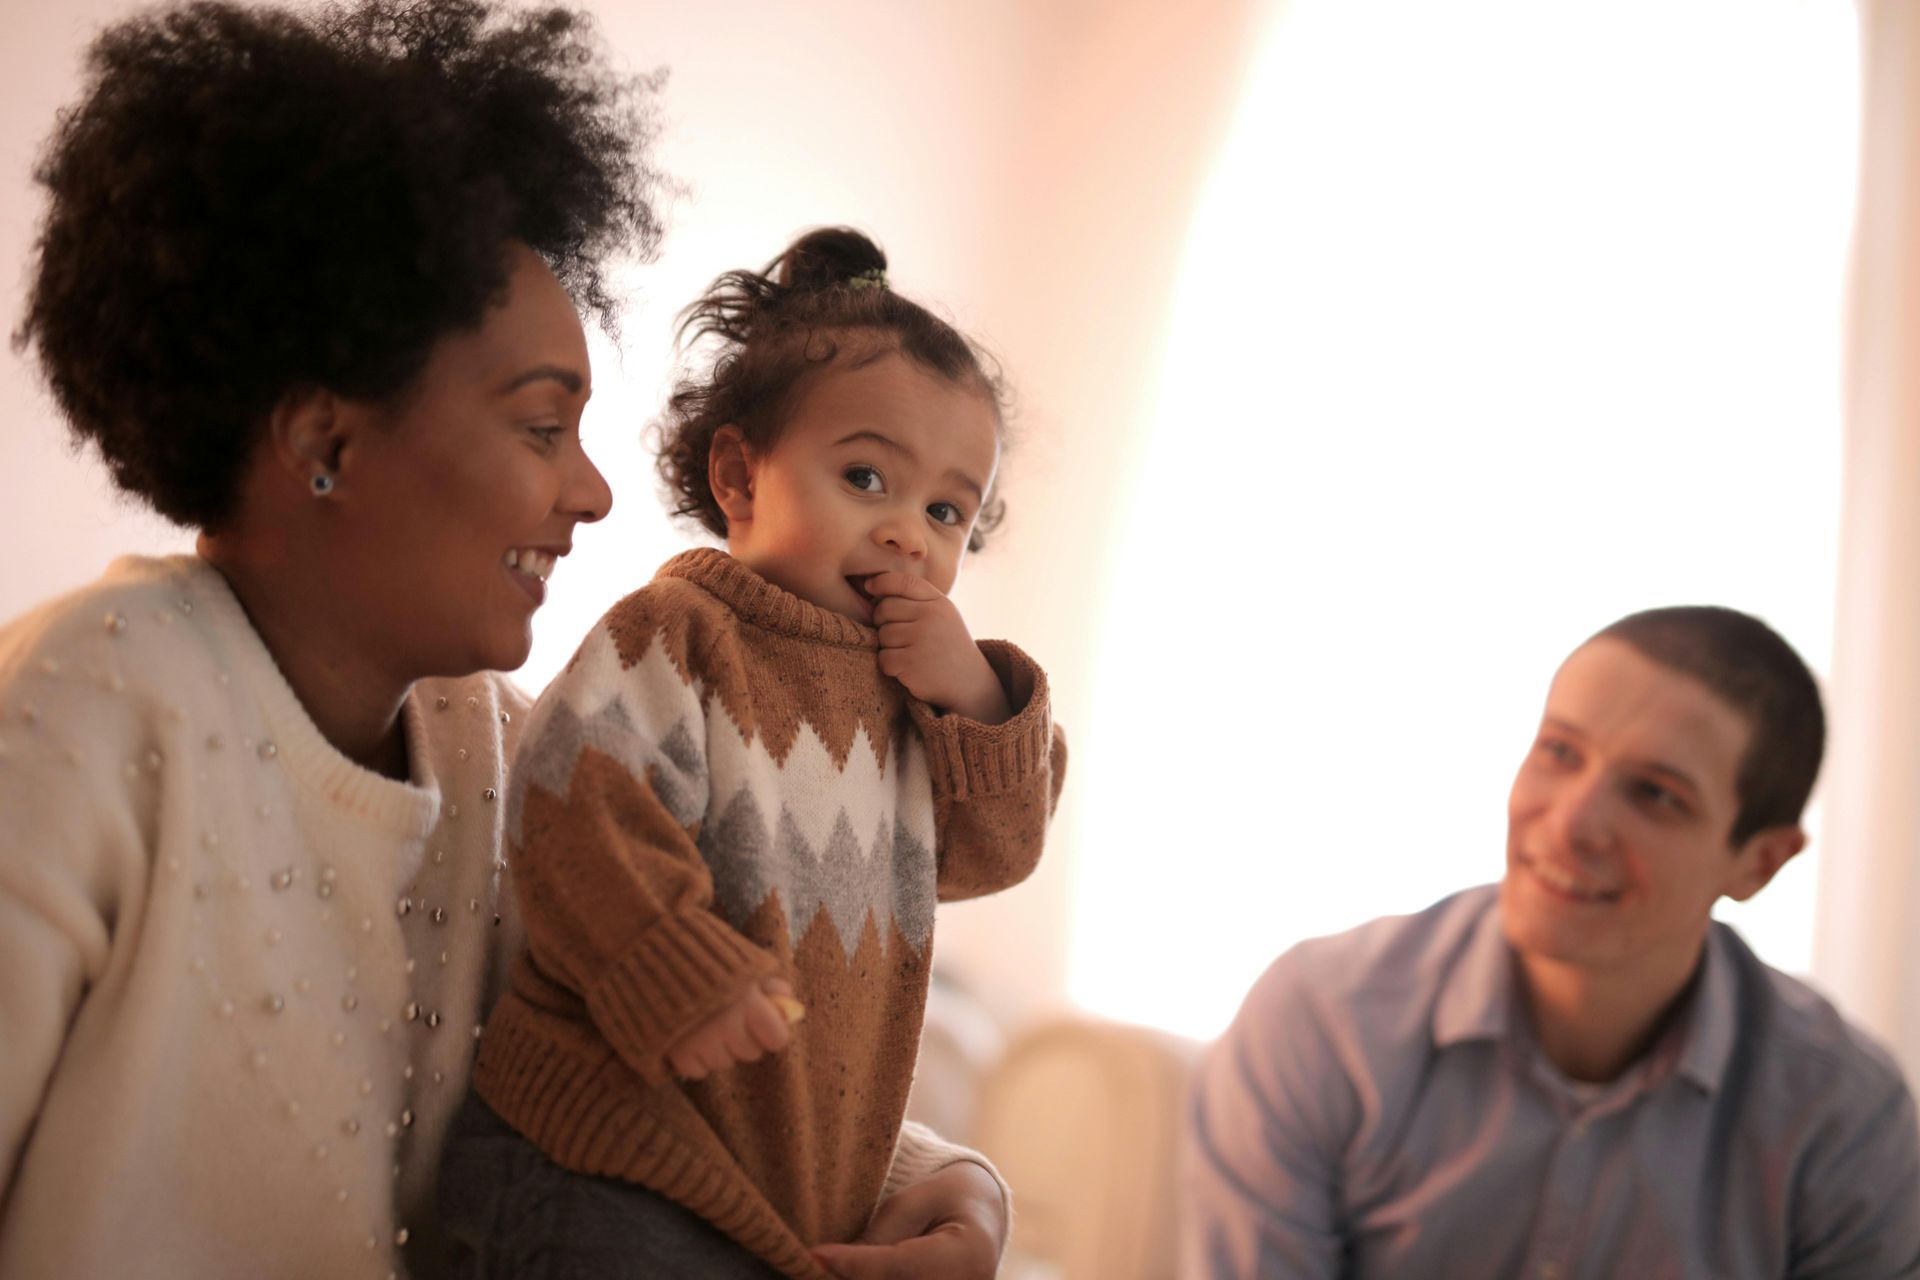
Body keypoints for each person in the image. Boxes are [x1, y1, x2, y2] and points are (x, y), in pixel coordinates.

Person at [0, 5, 1016, 1278]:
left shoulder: (502, 748)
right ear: (327, 446)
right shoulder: (84, 700)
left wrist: (952, 1188)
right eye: (545, 427)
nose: (594, 495)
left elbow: (657, 1067)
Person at [441, 227, 1068, 1280]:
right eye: (868, 476)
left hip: (763, 1186)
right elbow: (570, 794)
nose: (912, 533)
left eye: (947, 508)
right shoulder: (686, 633)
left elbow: (994, 852)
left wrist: (975, 692)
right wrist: (671, 961)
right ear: (739, 476)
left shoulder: (911, 699)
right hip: (598, 1157)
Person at [1183, 606, 1920, 1278]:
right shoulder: (1321, 1021)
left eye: (1656, 794)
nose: (1570, 822)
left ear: (1760, 862)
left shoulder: (1845, 1121)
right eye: (1560, 752)